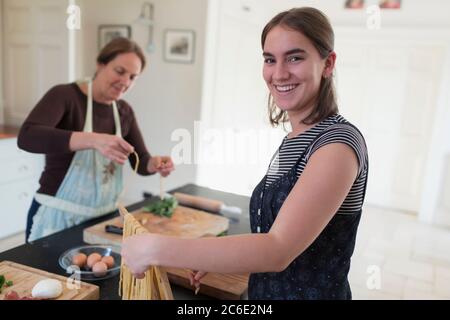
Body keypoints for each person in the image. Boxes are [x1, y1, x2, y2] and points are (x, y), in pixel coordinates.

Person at [121, 7, 369, 300]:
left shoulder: (337, 145)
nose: (279, 73)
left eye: (295, 57)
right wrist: (213, 255)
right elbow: (276, 228)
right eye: (269, 59)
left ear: (328, 64)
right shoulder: (294, 139)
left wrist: (155, 247)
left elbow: (277, 249)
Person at [18, 37, 174, 243]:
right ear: (100, 64)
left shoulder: (123, 111)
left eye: (133, 77)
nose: (125, 82)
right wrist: (92, 140)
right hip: (57, 217)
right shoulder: (65, 96)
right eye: (120, 71)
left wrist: (153, 164)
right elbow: (28, 137)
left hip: (103, 219)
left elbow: (140, 161)